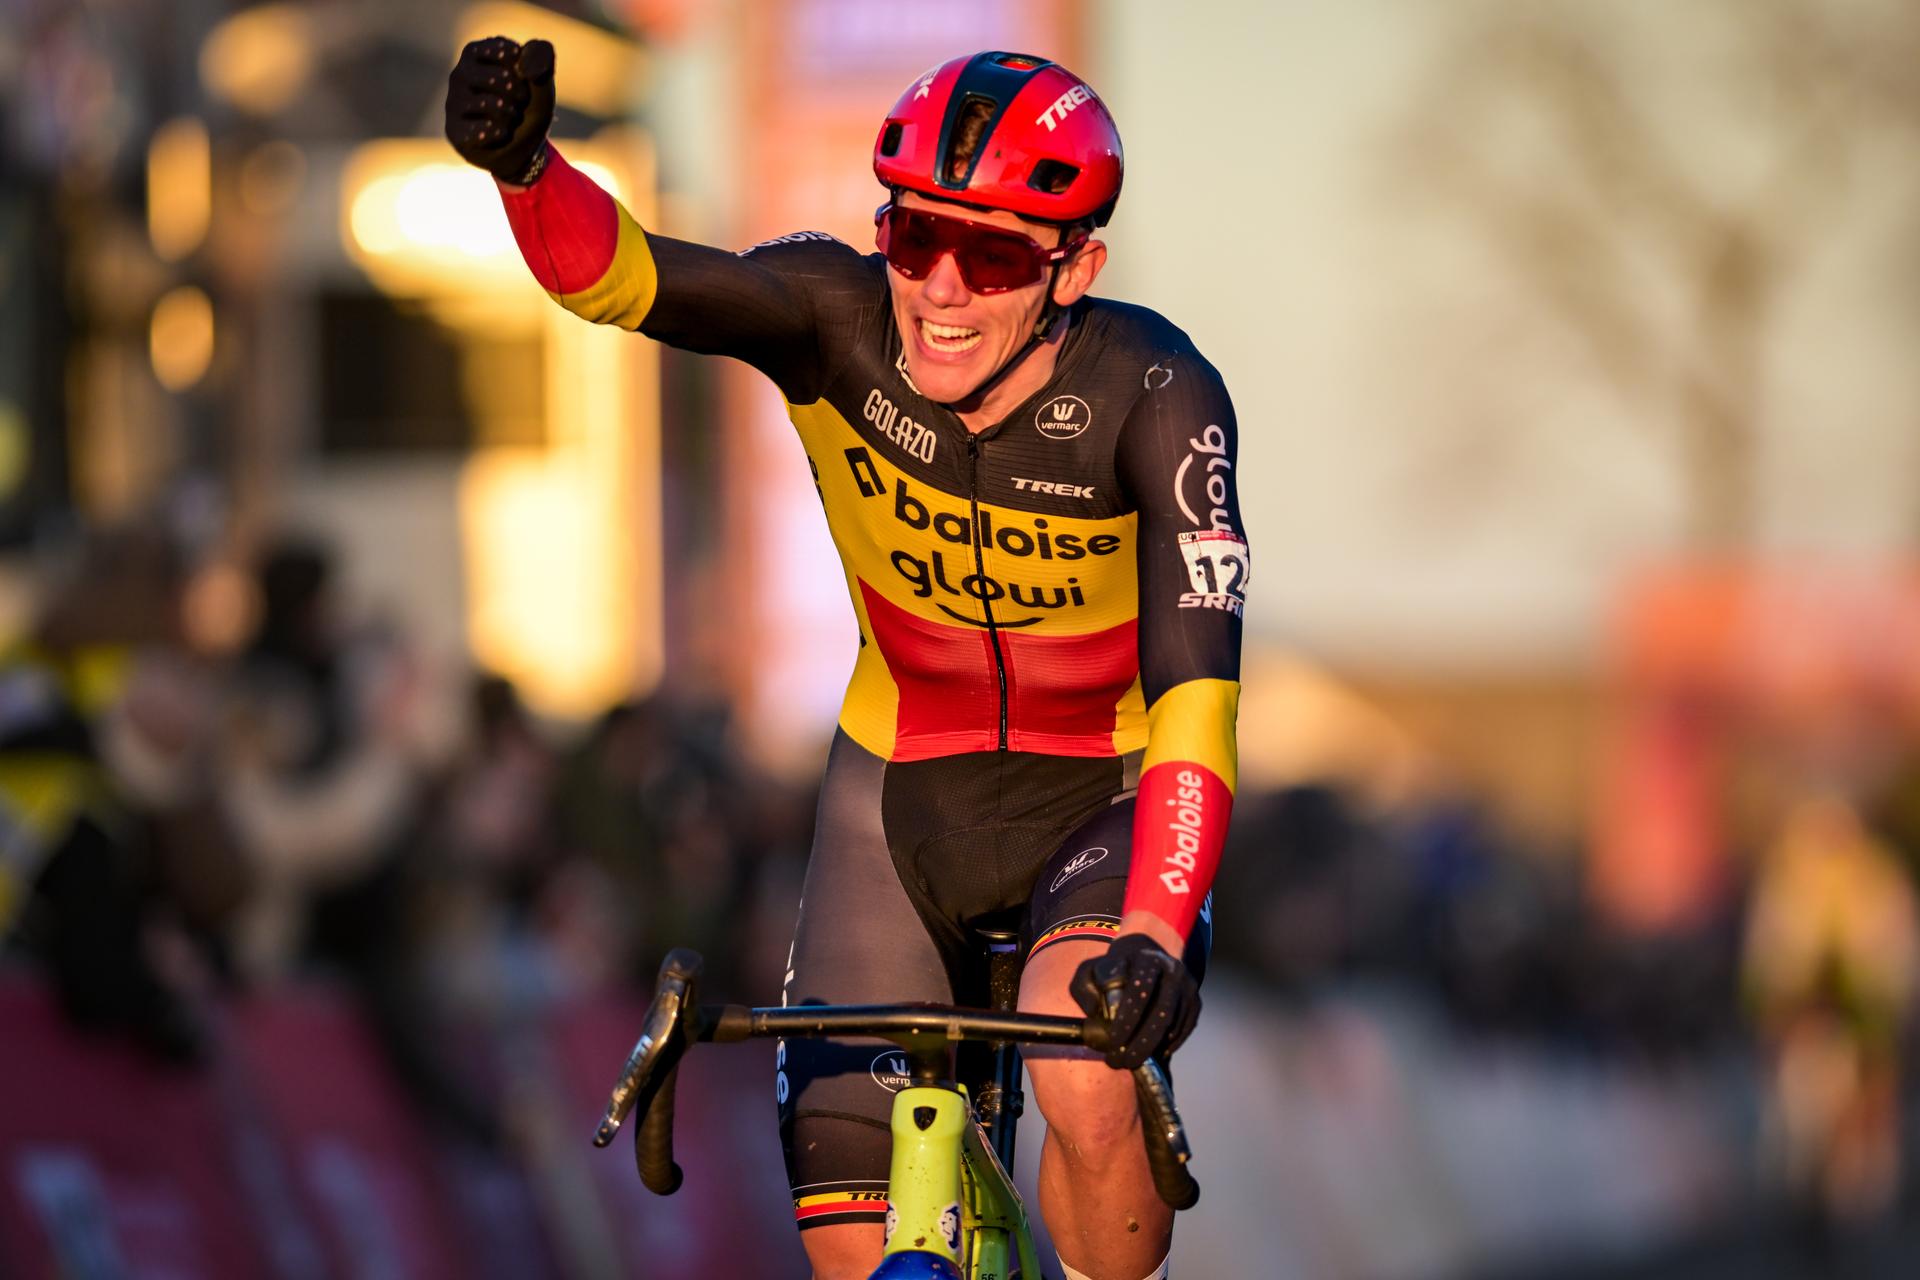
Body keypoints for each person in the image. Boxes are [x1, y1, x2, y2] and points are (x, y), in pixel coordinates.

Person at [446, 40, 1248, 1280]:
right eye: (913, 235)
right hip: (895, 793)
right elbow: (626, 281)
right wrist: (523, 169)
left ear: (1074, 265)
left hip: (1100, 793)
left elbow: (1199, 708)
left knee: (1085, 1081)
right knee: (853, 1255)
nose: (936, 286)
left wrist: (1154, 927)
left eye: (989, 256)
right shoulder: (833, 318)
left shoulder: (1159, 391)